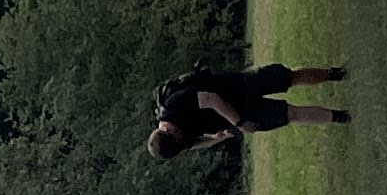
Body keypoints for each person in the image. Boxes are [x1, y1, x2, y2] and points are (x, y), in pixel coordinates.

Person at [150, 64, 350, 157]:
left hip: (239, 86)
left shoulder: (173, 104)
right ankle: (340, 117)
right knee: (290, 114)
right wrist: (220, 137)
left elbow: (211, 99)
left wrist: (239, 123)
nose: (181, 138)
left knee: (290, 77)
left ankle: (335, 74)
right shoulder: (176, 141)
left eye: (176, 136)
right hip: (241, 117)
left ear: (167, 130)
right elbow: (194, 144)